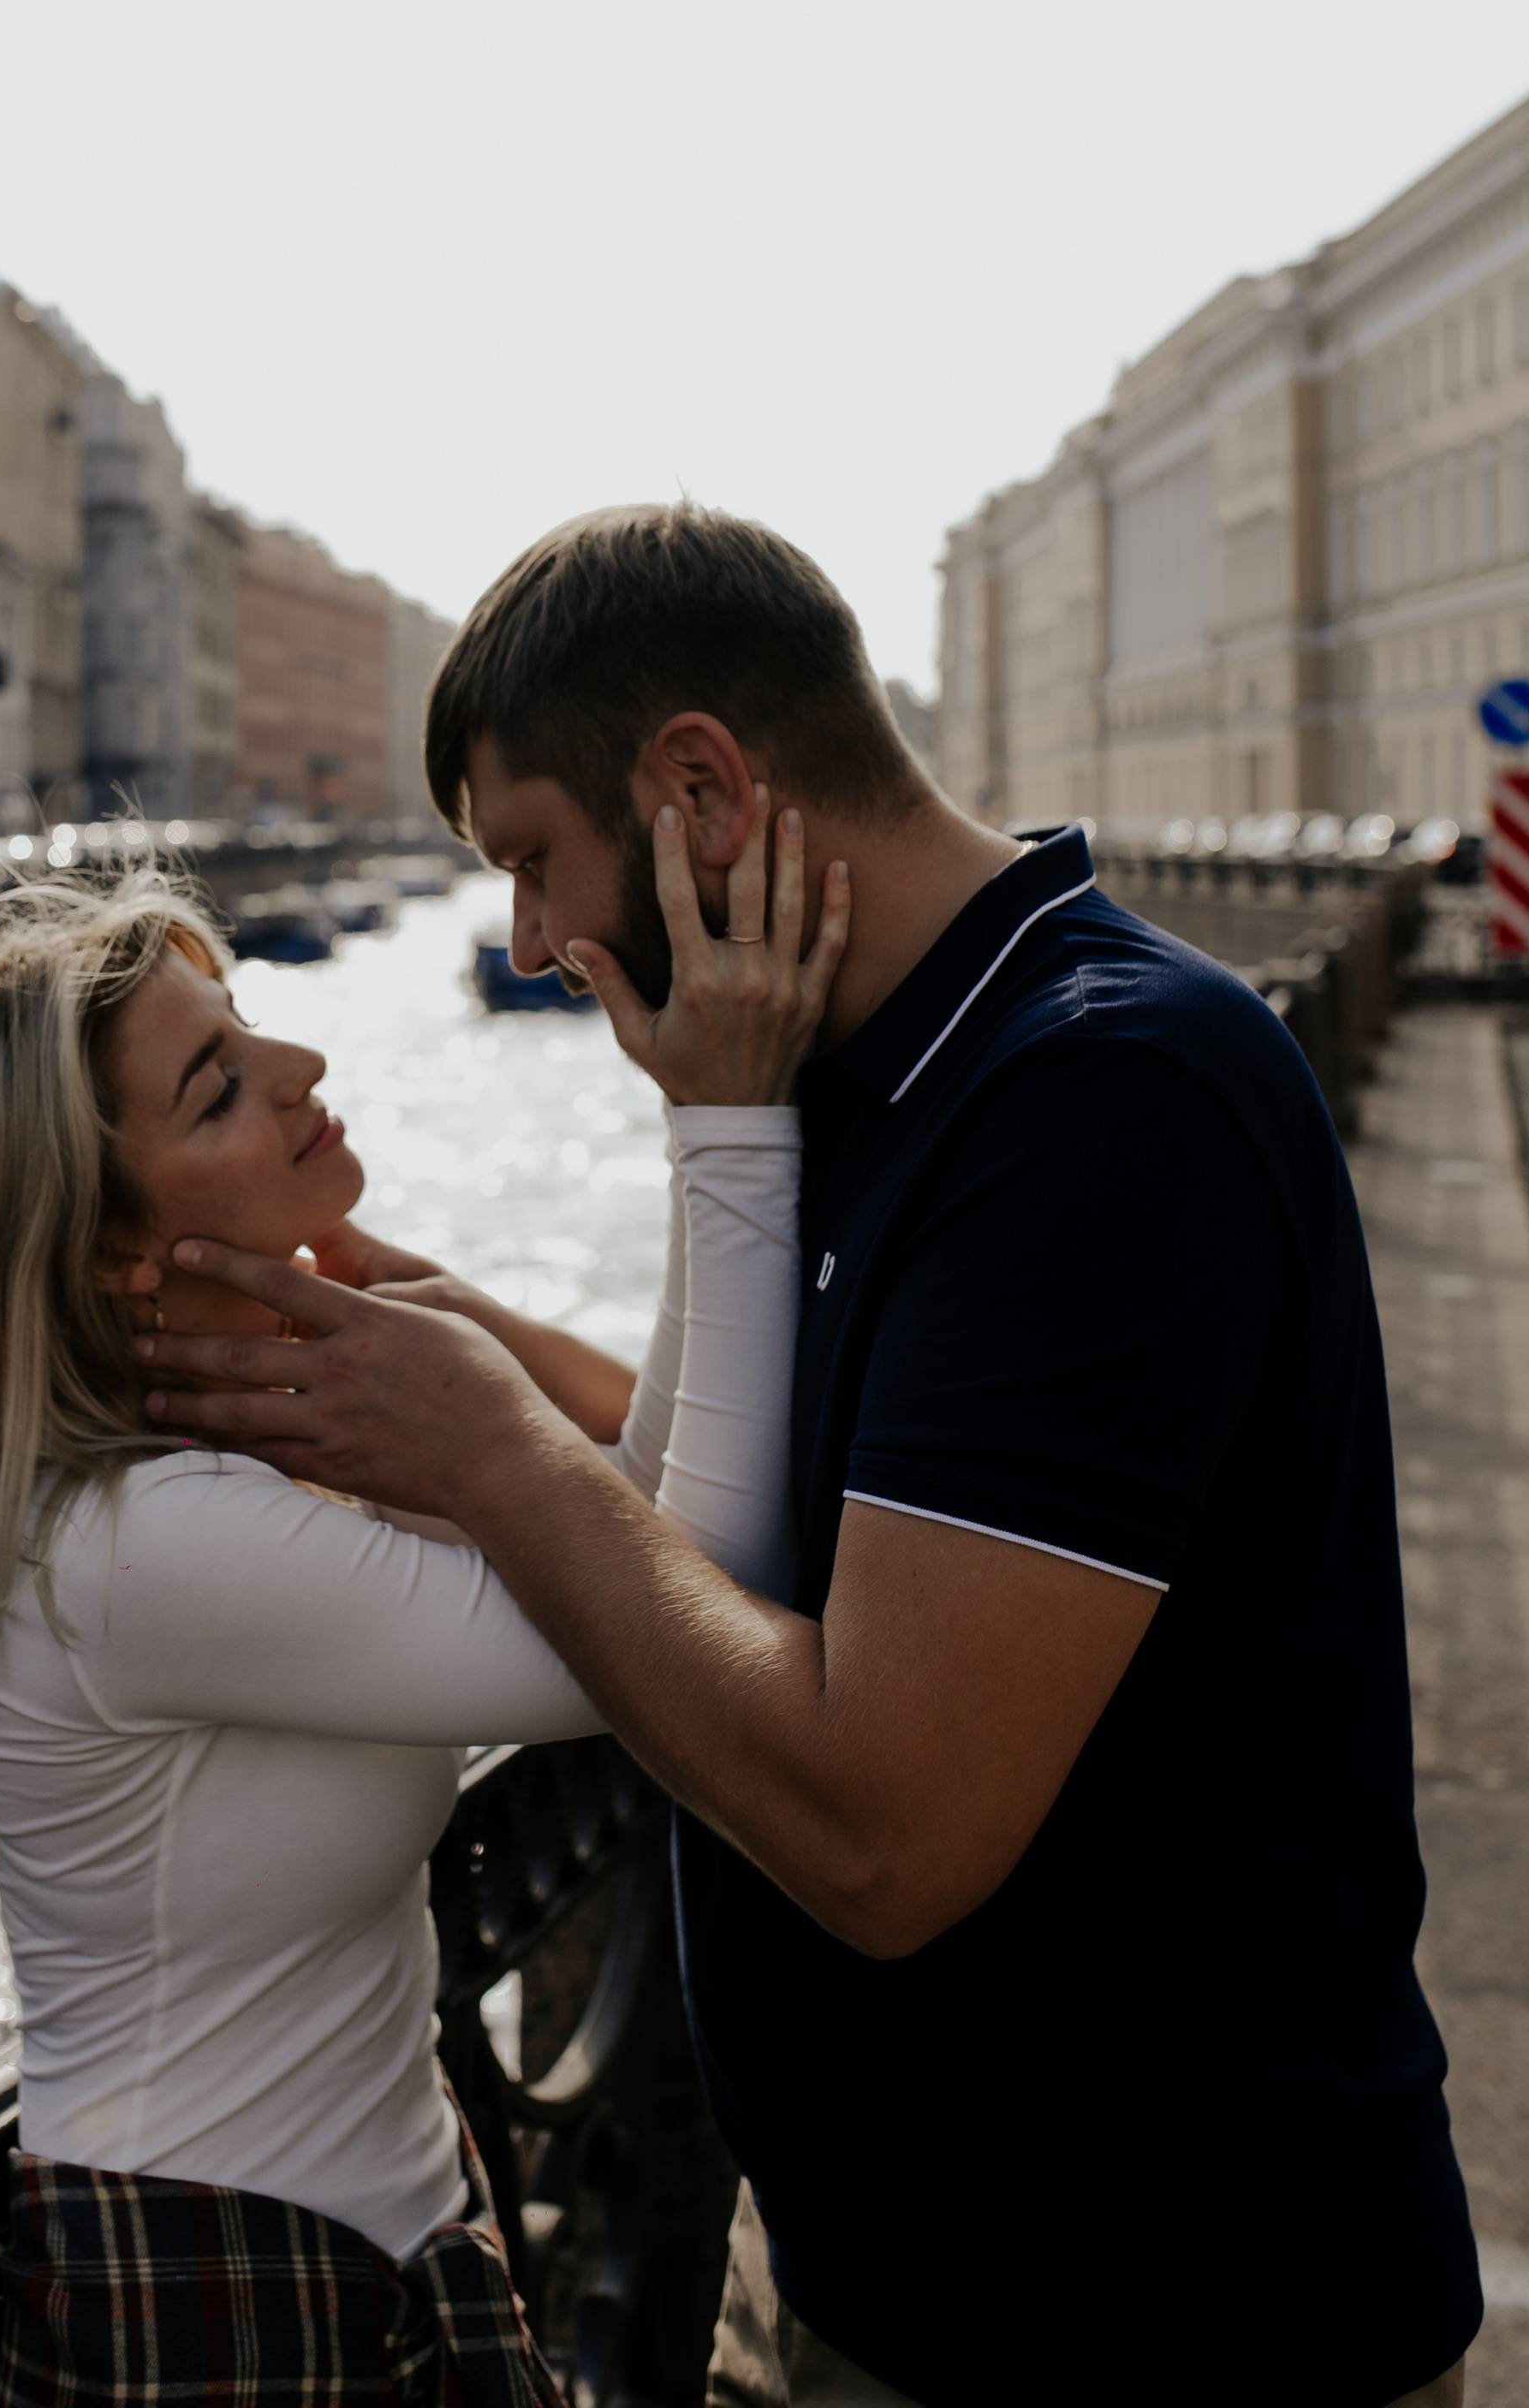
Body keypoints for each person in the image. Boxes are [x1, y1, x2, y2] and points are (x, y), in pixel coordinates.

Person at [134, 501, 1485, 2408]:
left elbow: (884, 1832)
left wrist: (493, 1451)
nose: (527, 945)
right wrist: (467, 1345)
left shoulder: (1099, 1102)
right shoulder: (886, 1062)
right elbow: (839, 1482)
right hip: (884, 2270)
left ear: (697, 790)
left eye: (532, 862)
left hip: (1145, 2322)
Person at [0, 861, 845, 2407]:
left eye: (246, 1024)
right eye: (216, 1087)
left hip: (349, 2256)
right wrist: (726, 1123)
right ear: (112, 1250)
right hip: (217, 2314)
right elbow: (685, 1605)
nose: (300, 1065)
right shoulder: (144, 1544)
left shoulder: (251, 1455)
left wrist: (483, 1348)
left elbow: (634, 1539)